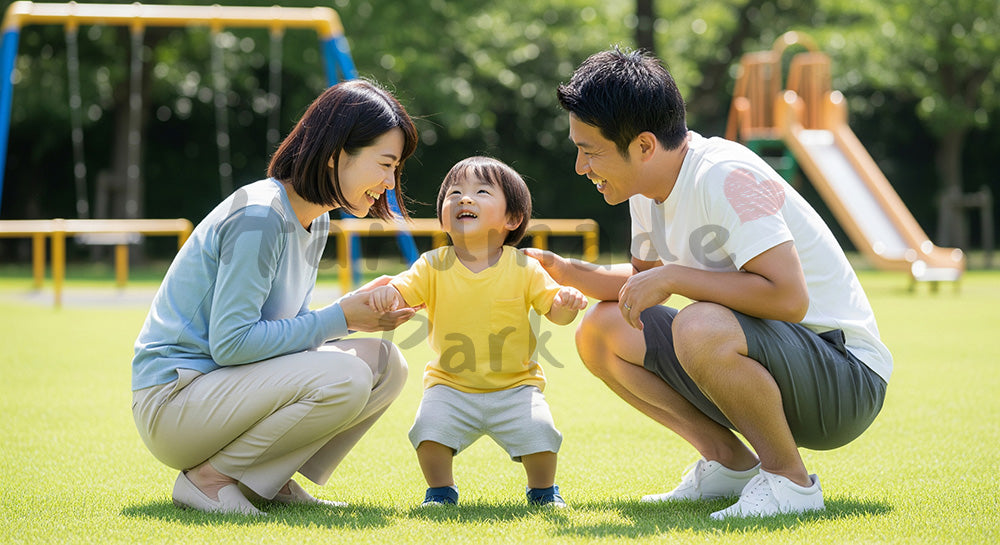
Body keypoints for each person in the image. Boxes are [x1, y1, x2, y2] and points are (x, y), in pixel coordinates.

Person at [524, 47, 891, 519]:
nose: (580, 167)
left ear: (643, 146)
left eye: (589, 151)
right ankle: (728, 464)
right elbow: (640, 284)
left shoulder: (726, 175)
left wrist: (676, 277)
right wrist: (558, 268)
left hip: (845, 378)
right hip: (775, 360)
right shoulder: (644, 189)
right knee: (602, 329)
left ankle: (790, 482)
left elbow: (789, 296)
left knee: (698, 324)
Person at [131, 79, 420, 516]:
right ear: (335, 153)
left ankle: (268, 479)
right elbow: (231, 345)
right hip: (175, 400)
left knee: (385, 364)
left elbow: (287, 330)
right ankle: (209, 481)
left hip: (219, 394)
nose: (390, 181)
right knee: (347, 376)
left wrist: (351, 311)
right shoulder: (261, 215)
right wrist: (341, 318)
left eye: (395, 168)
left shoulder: (314, 218)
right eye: (385, 164)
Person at [368, 156, 588, 507]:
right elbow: (402, 290)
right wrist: (388, 293)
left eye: (481, 192)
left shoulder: (524, 267)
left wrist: (566, 302)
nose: (464, 199)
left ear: (512, 219)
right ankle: (440, 491)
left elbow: (555, 313)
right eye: (454, 193)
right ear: (442, 215)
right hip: (449, 385)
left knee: (541, 434)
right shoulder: (431, 265)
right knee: (428, 431)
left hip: (517, 387)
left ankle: (543, 491)